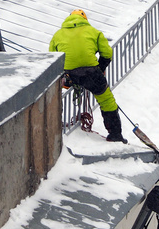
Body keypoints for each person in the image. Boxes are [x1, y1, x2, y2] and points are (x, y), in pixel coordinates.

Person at [49, 9, 127, 143]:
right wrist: (100, 69)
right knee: (106, 100)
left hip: (70, 73)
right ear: (84, 19)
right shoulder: (94, 32)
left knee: (62, 94)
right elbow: (107, 54)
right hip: (91, 73)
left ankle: (59, 128)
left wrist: (64, 76)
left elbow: (52, 58)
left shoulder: (57, 35)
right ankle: (115, 135)